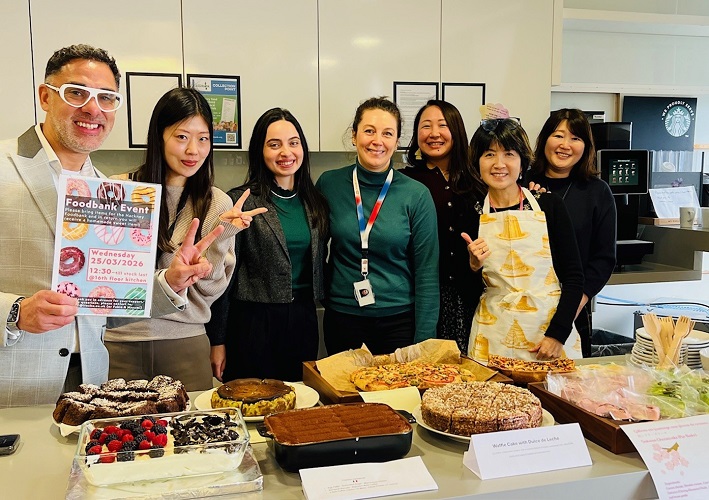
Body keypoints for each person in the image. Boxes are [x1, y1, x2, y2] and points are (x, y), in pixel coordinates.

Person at [0, 45, 227, 407]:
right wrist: (13, 313)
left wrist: (169, 282)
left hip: (91, 382)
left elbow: (111, 303)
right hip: (12, 383)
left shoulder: (110, 192)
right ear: (45, 96)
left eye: (106, 98)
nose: (93, 109)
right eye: (76, 93)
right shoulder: (4, 166)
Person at [105, 88, 266, 391]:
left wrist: (222, 237)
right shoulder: (119, 192)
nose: (193, 150)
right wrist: (168, 277)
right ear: (159, 136)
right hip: (118, 341)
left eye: (203, 139)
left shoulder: (217, 203)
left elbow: (210, 291)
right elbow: (106, 281)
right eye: (182, 137)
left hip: (185, 341)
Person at [206, 108, 329, 382]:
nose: (286, 152)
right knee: (251, 399)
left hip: (303, 319)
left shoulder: (315, 202)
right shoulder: (241, 202)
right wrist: (217, 340)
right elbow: (225, 279)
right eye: (274, 145)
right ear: (260, 151)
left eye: (293, 143)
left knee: (300, 399)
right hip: (252, 322)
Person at [316, 97, 439, 355]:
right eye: (369, 131)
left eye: (387, 133)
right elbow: (314, 250)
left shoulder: (416, 195)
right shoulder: (329, 184)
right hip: (343, 318)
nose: (377, 141)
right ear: (354, 135)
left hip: (399, 322)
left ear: (397, 141)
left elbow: (427, 272)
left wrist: (424, 339)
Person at [463, 118, 584, 362]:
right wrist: (473, 266)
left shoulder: (549, 205)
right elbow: (466, 289)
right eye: (489, 154)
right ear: (477, 162)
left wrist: (557, 334)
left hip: (547, 329)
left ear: (522, 163)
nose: (499, 164)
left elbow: (574, 277)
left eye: (509, 154)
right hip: (493, 332)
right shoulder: (471, 212)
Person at [525, 109, 616, 357]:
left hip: (572, 308)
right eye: (558, 135)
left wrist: (567, 317)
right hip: (522, 306)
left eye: (575, 138)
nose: (565, 145)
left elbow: (603, 259)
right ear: (544, 139)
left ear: (586, 147)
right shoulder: (522, 184)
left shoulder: (597, 192)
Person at [401, 100, 487, 353]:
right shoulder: (404, 180)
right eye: (426, 126)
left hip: (470, 297)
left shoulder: (478, 180)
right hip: (419, 297)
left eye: (443, 125)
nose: (434, 133)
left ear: (456, 131)